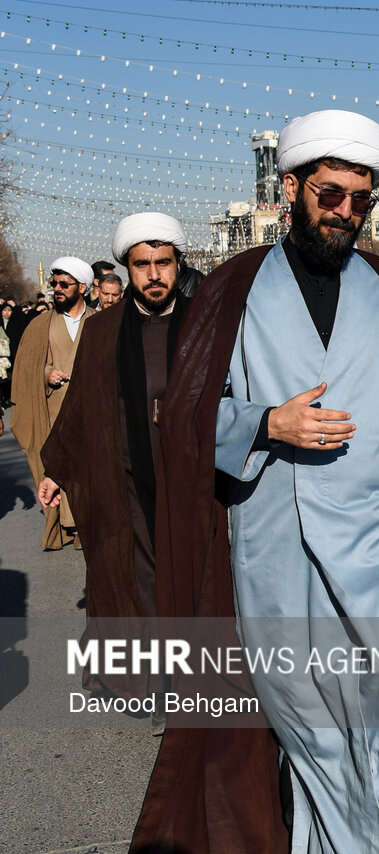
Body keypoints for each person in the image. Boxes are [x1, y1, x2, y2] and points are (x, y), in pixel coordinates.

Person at [131, 109, 379, 854]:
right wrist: (265, 424)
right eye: (330, 194)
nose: (345, 211)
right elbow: (187, 416)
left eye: (361, 199)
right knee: (313, 736)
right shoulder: (233, 287)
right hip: (278, 551)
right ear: (290, 188)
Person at [37, 214, 191, 719]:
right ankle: (156, 684)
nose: (154, 274)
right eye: (142, 264)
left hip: (196, 481)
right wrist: (57, 470)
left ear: (178, 263)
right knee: (139, 579)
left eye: (163, 262)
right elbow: (82, 404)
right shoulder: (104, 330)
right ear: (128, 268)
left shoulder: (203, 321)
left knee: (194, 579)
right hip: (126, 482)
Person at [11, 256, 96, 549]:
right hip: (54, 408)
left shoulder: (99, 321)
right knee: (60, 462)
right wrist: (46, 373)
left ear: (82, 288)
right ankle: (70, 523)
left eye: (64, 284)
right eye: (54, 283)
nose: (57, 289)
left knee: (88, 464)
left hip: (91, 410)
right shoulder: (41, 325)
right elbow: (28, 367)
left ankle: (87, 521)